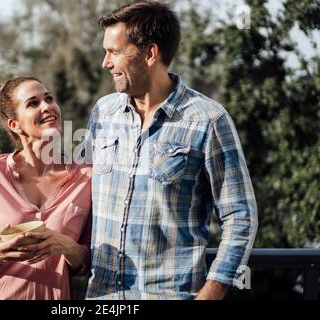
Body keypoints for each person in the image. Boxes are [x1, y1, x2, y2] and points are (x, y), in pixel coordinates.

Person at [83, 1, 258, 300]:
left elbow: (240, 216)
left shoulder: (208, 119)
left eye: (114, 52)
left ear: (150, 53)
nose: (105, 63)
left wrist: (211, 293)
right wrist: (2, 173)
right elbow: (77, 185)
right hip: (102, 298)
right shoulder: (103, 112)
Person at [0, 76, 92, 300]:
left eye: (49, 99)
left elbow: (86, 259)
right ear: (14, 124)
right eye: (33, 103)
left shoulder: (87, 178)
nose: (47, 107)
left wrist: (66, 245)